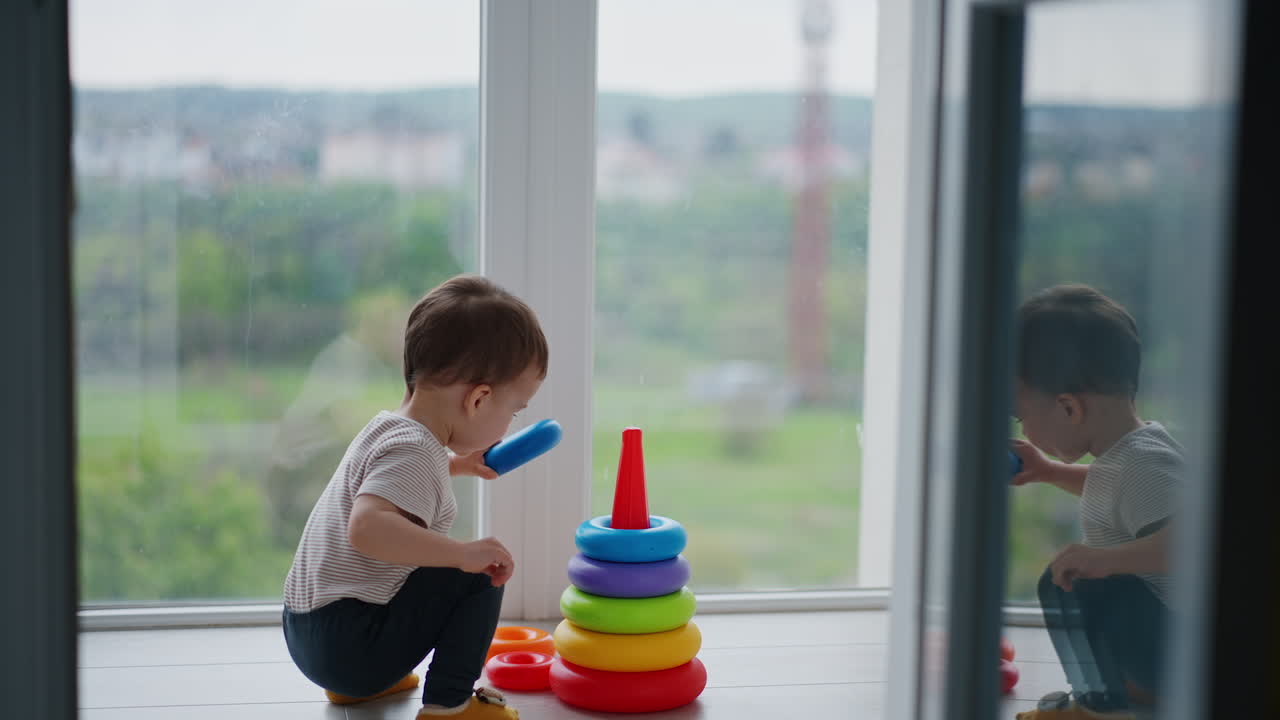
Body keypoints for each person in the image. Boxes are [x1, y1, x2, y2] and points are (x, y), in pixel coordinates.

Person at [282, 274, 548, 719]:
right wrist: (462, 555)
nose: (511, 424)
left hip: (310, 636)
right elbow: (367, 528)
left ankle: (362, 686)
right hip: (347, 647)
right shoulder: (414, 452)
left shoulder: (390, 430)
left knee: (446, 561)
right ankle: (450, 703)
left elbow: (396, 490)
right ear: (479, 399)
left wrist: (458, 464)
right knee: (483, 572)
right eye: (514, 411)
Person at [1010, 284, 1181, 720]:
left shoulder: (1145, 464)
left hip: (1184, 648)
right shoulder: (1131, 458)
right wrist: (1049, 470)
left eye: (1023, 417)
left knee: (1071, 581)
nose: (1025, 431)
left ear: (1069, 408)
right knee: (1082, 571)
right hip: (1170, 642)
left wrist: (1107, 561)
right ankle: (1133, 689)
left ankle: (1100, 704)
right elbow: (1113, 495)